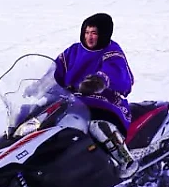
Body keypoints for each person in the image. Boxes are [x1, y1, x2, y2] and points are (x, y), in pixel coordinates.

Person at [54, 13, 139, 176]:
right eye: (86, 32)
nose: (90, 37)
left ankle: (125, 159)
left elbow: (117, 72)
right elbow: (55, 71)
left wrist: (98, 81)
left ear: (103, 34)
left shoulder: (111, 51)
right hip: (74, 102)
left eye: (94, 33)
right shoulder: (73, 51)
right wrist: (38, 86)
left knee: (97, 125)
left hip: (105, 103)